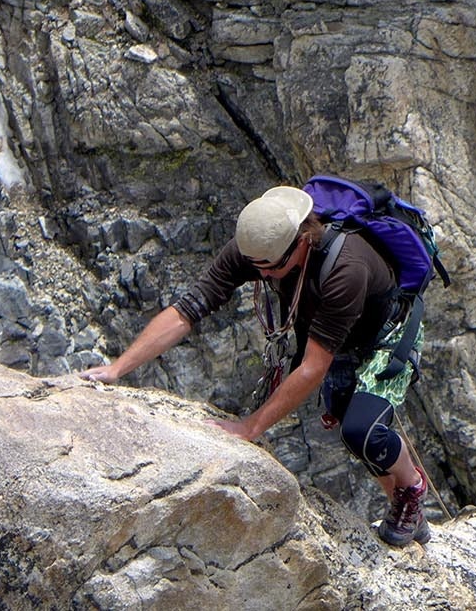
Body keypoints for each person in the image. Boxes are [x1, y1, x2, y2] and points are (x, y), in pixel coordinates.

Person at [81, 185, 433, 546]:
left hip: (384, 336)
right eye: (256, 267)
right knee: (353, 431)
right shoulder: (259, 247)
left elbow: (312, 368)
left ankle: (411, 489)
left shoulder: (346, 266)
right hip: (336, 335)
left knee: (363, 430)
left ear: (302, 241)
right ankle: (406, 510)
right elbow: (190, 308)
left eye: (270, 268)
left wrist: (250, 427)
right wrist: (117, 368)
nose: (262, 275)